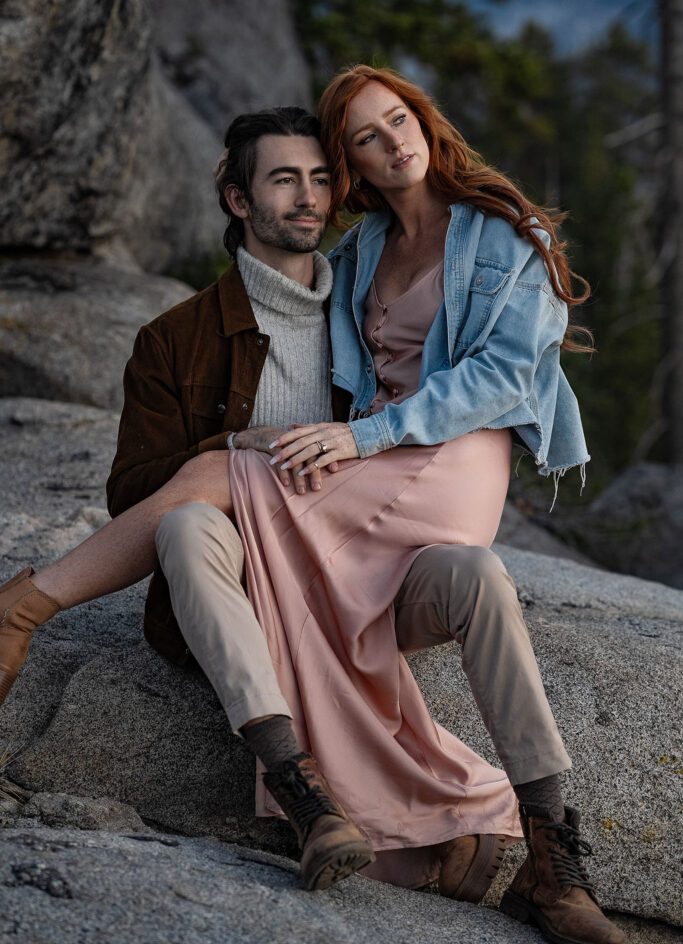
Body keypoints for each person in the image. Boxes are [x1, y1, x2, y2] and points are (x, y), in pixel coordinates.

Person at [0, 77, 624, 944]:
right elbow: (306, 420)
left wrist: (349, 442)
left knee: (224, 474)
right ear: (348, 165)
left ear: (423, 123)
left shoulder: (501, 235)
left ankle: (23, 605)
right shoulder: (361, 252)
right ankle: (402, 825)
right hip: (367, 492)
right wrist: (297, 441)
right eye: (364, 139)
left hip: (444, 461)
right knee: (204, 504)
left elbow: (502, 380)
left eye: (398, 121)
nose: (390, 144)